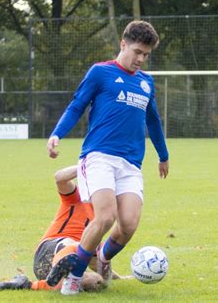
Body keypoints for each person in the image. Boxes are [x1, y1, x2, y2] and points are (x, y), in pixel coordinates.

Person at [46, 20, 169, 295]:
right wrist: (57, 134)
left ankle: (102, 259)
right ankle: (74, 278)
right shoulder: (100, 73)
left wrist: (163, 155)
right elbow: (77, 105)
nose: (140, 59)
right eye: (137, 51)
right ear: (123, 44)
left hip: (131, 164)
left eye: (146, 55)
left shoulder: (146, 82)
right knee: (105, 217)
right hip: (99, 156)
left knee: (128, 225)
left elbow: (154, 121)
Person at [0, 166, 120, 292]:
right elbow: (59, 178)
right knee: (81, 246)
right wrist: (89, 165)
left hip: (50, 271)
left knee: (96, 282)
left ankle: (26, 284)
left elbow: (97, 262)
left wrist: (116, 278)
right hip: (48, 250)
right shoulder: (77, 198)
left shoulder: (103, 217)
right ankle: (65, 259)